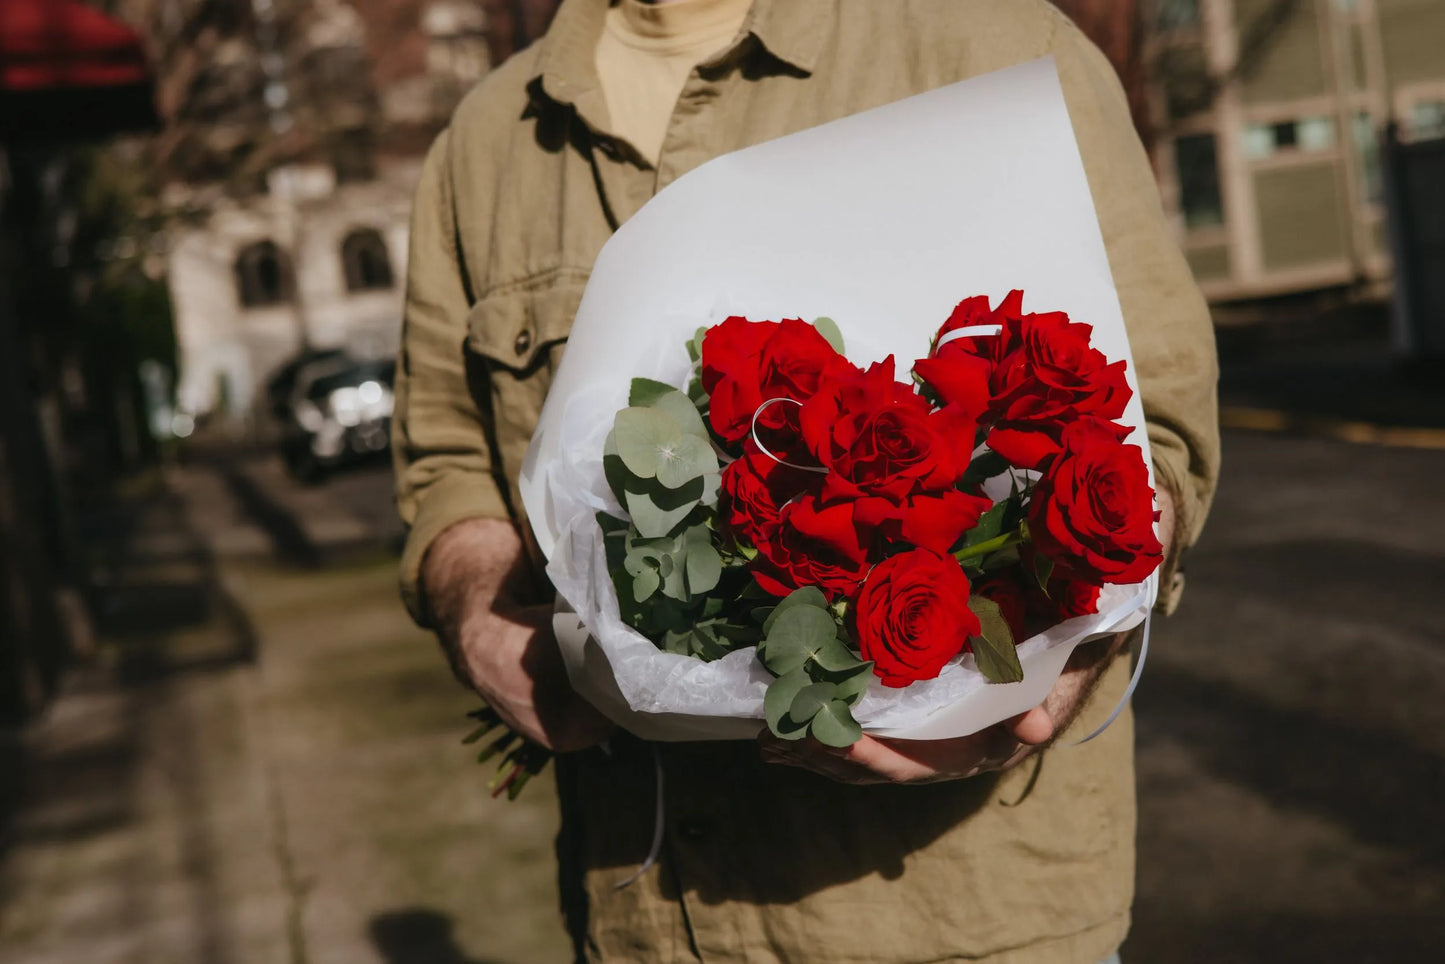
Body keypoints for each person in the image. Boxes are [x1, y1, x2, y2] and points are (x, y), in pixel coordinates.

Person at [392, 0, 1220, 961]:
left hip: (961, 916)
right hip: (646, 920)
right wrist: (478, 616)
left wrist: (1045, 662)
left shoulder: (992, 44)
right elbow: (447, 460)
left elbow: (1154, 428)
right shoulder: (486, 144)